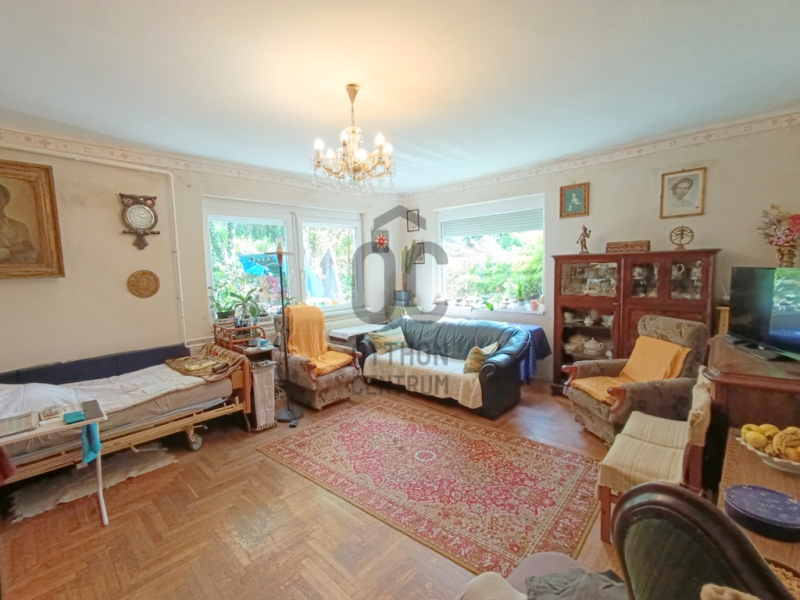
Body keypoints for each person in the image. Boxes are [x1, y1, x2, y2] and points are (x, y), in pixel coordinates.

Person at [0, 183, 37, 263]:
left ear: (6, 200)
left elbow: (30, 256)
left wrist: (6, 255)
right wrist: (10, 251)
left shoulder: (19, 227)